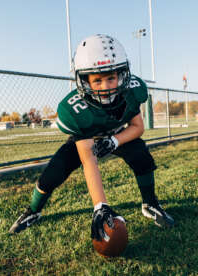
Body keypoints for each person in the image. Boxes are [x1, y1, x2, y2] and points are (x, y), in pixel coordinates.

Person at [9, 34, 174, 239]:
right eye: (97, 80)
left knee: (141, 154)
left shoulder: (131, 90)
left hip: (115, 133)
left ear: (122, 75)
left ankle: (150, 203)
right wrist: (100, 206)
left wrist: (115, 140)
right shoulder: (75, 109)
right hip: (86, 139)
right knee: (53, 173)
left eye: (111, 78)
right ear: (84, 81)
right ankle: (32, 211)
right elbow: (89, 159)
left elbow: (137, 127)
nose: (106, 86)